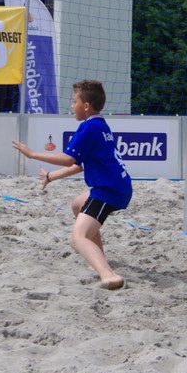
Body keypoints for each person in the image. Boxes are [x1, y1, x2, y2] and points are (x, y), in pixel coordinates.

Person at [12, 79, 132, 290]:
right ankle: (97, 259)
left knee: (77, 238)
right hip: (118, 185)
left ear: (86, 106)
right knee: (78, 204)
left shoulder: (88, 127)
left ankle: (108, 275)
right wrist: (51, 177)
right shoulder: (101, 125)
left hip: (108, 191)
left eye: (74, 101)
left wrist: (32, 154)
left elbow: (68, 159)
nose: (71, 105)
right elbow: (80, 165)